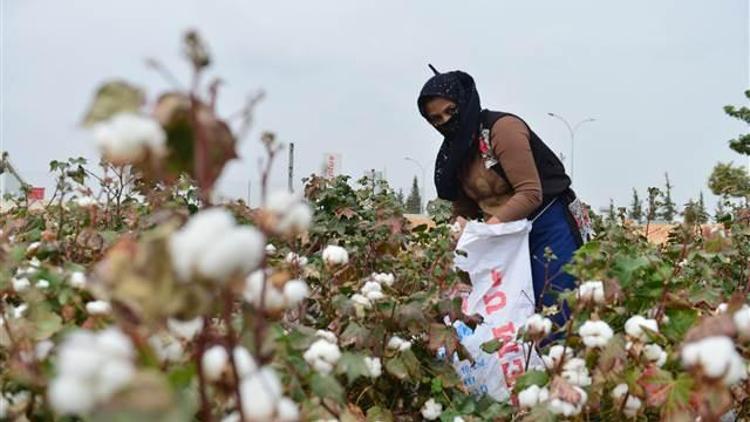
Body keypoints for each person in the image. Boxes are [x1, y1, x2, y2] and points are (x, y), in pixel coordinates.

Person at [417, 68, 588, 327]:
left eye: (451, 111)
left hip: (548, 226)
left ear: (465, 102)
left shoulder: (501, 129)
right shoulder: (455, 154)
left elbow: (530, 193)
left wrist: (486, 233)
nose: (446, 121)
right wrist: (458, 237)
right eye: (436, 119)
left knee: (556, 312)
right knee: (509, 319)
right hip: (503, 238)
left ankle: (562, 364)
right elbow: (464, 208)